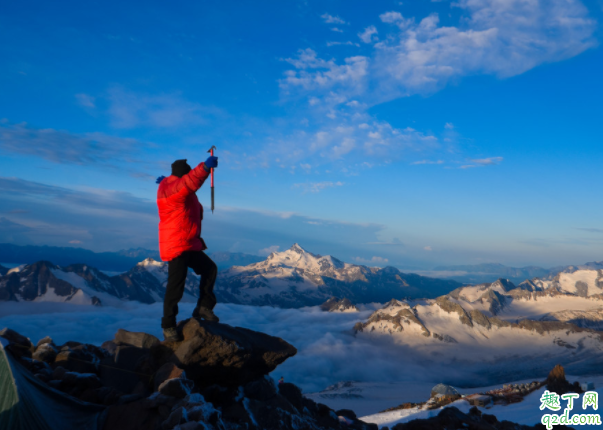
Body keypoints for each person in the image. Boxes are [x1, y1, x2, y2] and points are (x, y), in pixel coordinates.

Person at [156, 156, 219, 341]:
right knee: (176, 286)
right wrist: (205, 167)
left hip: (188, 242)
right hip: (177, 245)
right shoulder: (174, 189)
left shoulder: (171, 186)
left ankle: (203, 307)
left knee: (210, 269)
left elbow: (182, 184)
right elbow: (190, 181)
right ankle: (168, 326)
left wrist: (166, 181)